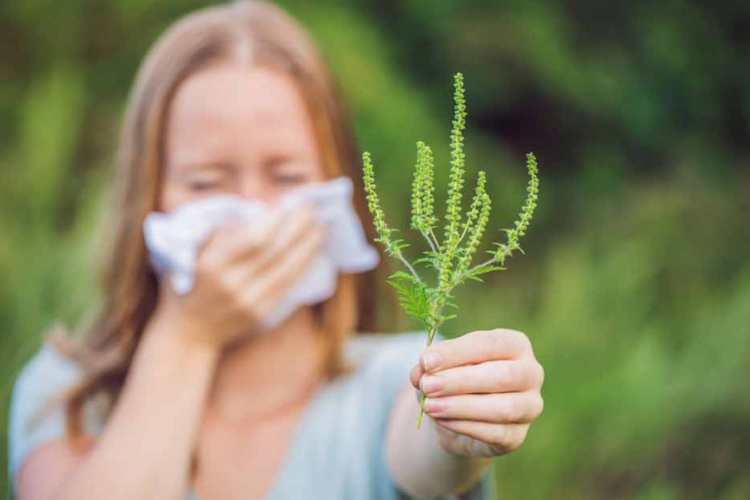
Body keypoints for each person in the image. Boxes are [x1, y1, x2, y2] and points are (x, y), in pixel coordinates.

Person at [7, 1, 545, 499]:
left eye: (286, 175)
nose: (253, 210)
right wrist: (187, 333)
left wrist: (465, 421)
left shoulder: (393, 380)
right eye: (205, 182)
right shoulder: (66, 394)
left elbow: (427, 445)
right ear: (147, 193)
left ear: (338, 185)